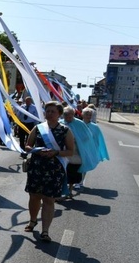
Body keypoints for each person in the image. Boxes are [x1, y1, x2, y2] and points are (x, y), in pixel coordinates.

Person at [23, 101, 75, 243]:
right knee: (34, 197)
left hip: (54, 169)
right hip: (37, 167)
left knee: (49, 199)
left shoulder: (65, 130)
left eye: (53, 111)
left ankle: (45, 231)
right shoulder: (38, 128)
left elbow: (71, 151)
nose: (49, 114)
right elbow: (28, 145)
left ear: (59, 114)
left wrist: (55, 152)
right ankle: (33, 220)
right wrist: (36, 150)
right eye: (47, 111)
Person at [60, 105, 99, 198]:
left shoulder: (80, 124)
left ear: (73, 115)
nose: (68, 119)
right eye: (66, 116)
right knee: (62, 171)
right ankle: (61, 190)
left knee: (72, 172)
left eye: (70, 116)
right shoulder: (60, 123)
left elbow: (87, 136)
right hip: (62, 151)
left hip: (75, 152)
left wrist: (76, 140)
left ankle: (69, 190)